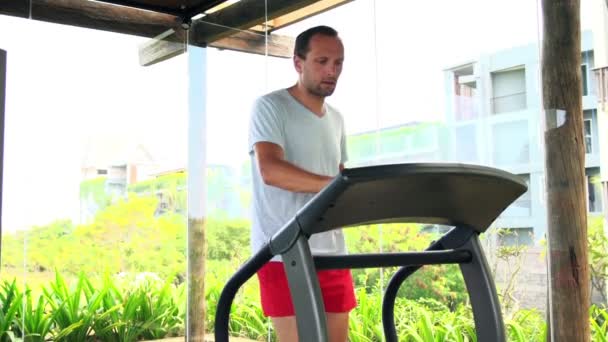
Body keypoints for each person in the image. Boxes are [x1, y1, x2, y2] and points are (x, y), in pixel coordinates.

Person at [247, 25, 355, 342]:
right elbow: (271, 169)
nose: (331, 71)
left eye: (338, 63)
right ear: (298, 63)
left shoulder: (336, 119)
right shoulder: (270, 107)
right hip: (284, 251)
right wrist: (334, 185)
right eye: (322, 61)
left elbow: (341, 176)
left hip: (334, 252)